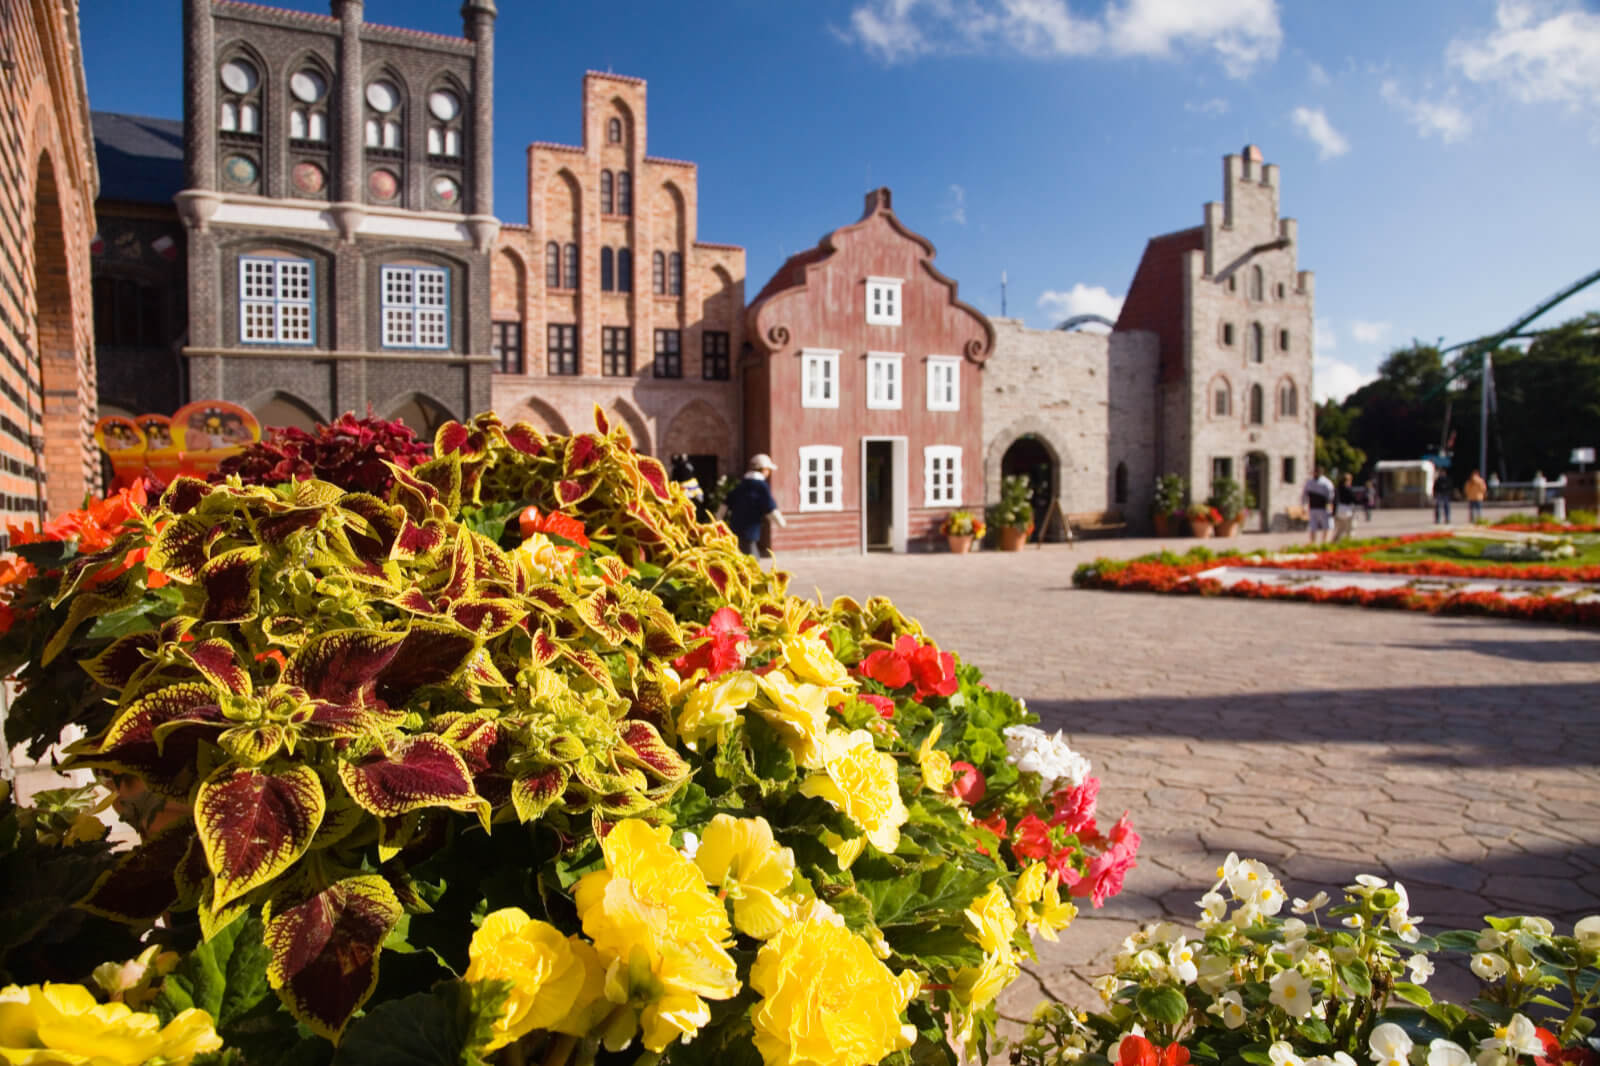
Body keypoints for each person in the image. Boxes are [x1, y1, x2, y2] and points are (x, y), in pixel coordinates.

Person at [721, 453, 786, 557]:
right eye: (769, 470)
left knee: (740, 558)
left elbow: (725, 504)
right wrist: (781, 522)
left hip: (734, 529)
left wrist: (717, 520)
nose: (769, 473)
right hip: (750, 532)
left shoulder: (741, 485)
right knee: (752, 561)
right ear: (764, 469)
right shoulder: (761, 486)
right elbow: (769, 506)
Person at [669, 454, 712, 524]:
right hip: (692, 489)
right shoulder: (689, 465)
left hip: (685, 491)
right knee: (694, 509)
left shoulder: (678, 468)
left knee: (689, 509)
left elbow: (674, 480)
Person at [1301, 466, 1334, 544]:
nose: (1315, 474)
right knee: (1313, 526)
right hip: (1313, 507)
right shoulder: (1309, 482)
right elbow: (1304, 495)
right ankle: (1313, 543)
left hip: (1323, 507)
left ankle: (1325, 542)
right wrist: (1304, 505)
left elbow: (1330, 496)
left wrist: (1330, 506)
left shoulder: (1326, 483)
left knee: (1326, 525)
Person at [1332, 472, 1359, 542]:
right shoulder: (1348, 489)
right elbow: (1354, 500)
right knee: (1350, 529)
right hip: (1347, 510)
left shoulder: (1338, 488)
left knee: (1340, 529)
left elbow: (1334, 500)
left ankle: (1335, 543)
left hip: (1339, 509)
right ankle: (1349, 542)